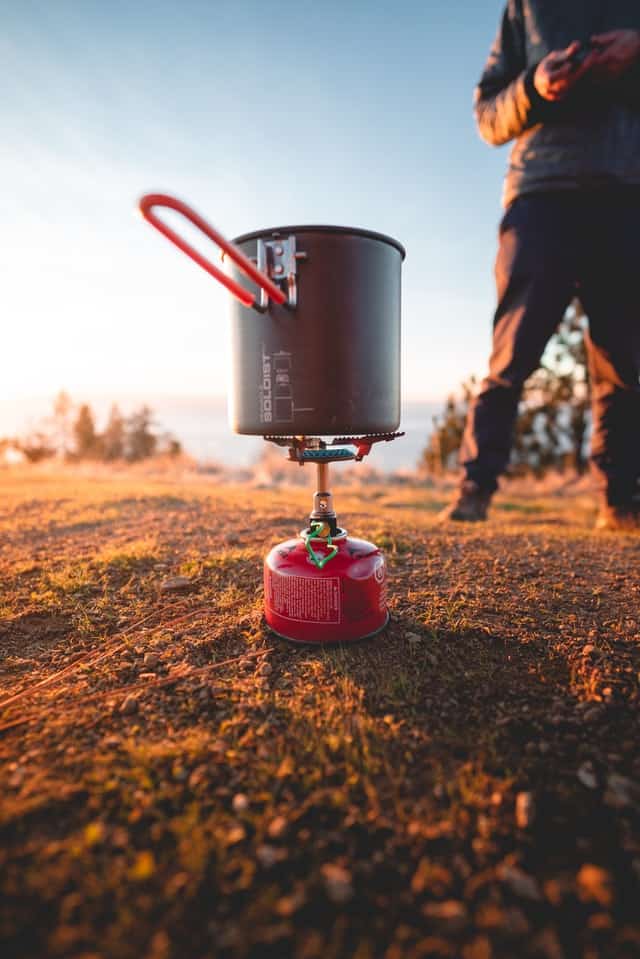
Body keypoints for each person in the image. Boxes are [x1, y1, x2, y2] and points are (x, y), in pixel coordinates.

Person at [441, 2, 640, 530]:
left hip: (627, 194)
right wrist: (534, 86)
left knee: (624, 360)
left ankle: (619, 502)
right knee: (511, 353)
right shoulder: (525, 7)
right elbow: (487, 115)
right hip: (539, 195)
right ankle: (474, 492)